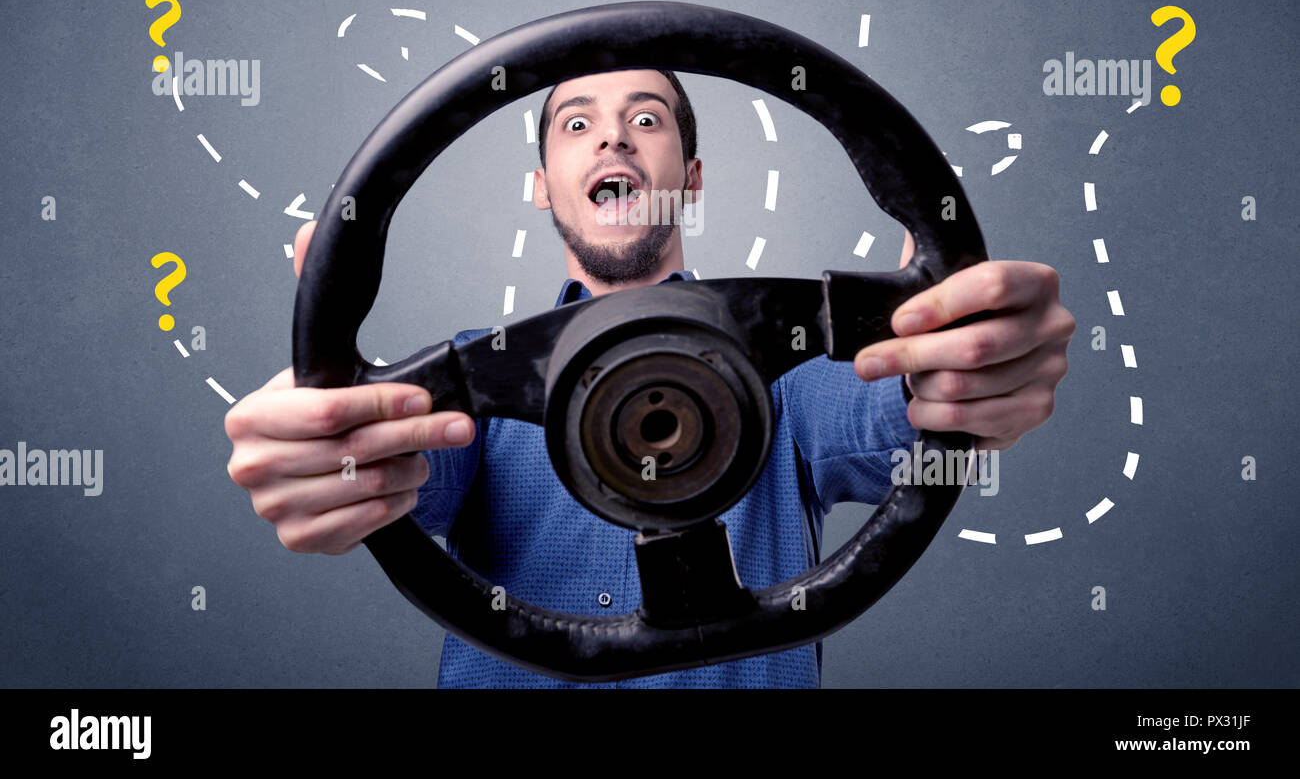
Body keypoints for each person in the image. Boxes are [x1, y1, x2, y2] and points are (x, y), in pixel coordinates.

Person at [225, 68, 1075, 687]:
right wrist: (332, 448)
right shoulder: (468, 389)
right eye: (576, 124)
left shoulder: (788, 380)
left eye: (647, 117)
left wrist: (957, 368)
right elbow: (391, 457)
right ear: (543, 187)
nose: (613, 136)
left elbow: (894, 406)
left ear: (691, 182)